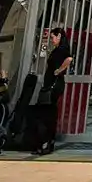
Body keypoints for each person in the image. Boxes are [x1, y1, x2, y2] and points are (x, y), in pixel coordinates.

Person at [31, 28, 73, 156]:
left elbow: (69, 59)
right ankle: (47, 142)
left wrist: (59, 70)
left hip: (53, 85)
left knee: (45, 113)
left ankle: (46, 142)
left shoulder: (61, 50)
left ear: (59, 36)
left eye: (53, 37)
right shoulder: (59, 49)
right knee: (49, 113)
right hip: (53, 85)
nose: (52, 40)